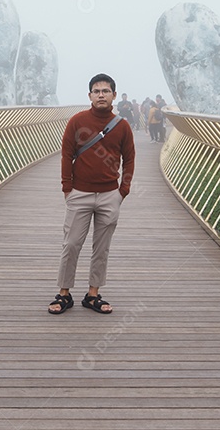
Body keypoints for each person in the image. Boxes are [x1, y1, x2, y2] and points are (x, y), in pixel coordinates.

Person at [48, 73, 135, 315]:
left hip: (110, 195)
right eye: (96, 91)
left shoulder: (123, 126)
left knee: (101, 247)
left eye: (105, 91)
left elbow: (129, 160)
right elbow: (66, 154)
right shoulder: (77, 121)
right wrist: (67, 188)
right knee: (72, 244)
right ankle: (64, 294)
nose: (101, 95)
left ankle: (93, 294)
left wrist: (123, 191)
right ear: (89, 96)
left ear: (113, 96)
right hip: (80, 194)